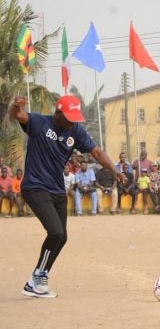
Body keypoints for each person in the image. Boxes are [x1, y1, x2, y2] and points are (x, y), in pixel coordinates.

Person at [9, 95, 124, 298]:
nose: (72, 121)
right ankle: (36, 278)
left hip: (57, 190)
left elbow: (96, 152)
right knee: (55, 232)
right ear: (58, 112)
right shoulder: (39, 122)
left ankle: (39, 278)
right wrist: (15, 106)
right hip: (35, 187)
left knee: (62, 236)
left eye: (75, 117)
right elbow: (16, 115)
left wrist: (114, 170)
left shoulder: (76, 130)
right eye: (69, 116)